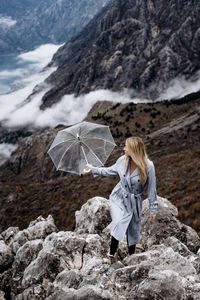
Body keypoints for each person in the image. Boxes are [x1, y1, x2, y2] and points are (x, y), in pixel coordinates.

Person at [86, 136, 158, 257]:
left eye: (126, 147)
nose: (124, 149)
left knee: (133, 228)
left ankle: (131, 256)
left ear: (134, 149)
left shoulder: (148, 166)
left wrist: (153, 209)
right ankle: (111, 254)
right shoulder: (122, 160)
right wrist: (93, 169)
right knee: (119, 222)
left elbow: (152, 188)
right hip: (119, 197)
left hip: (134, 200)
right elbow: (109, 171)